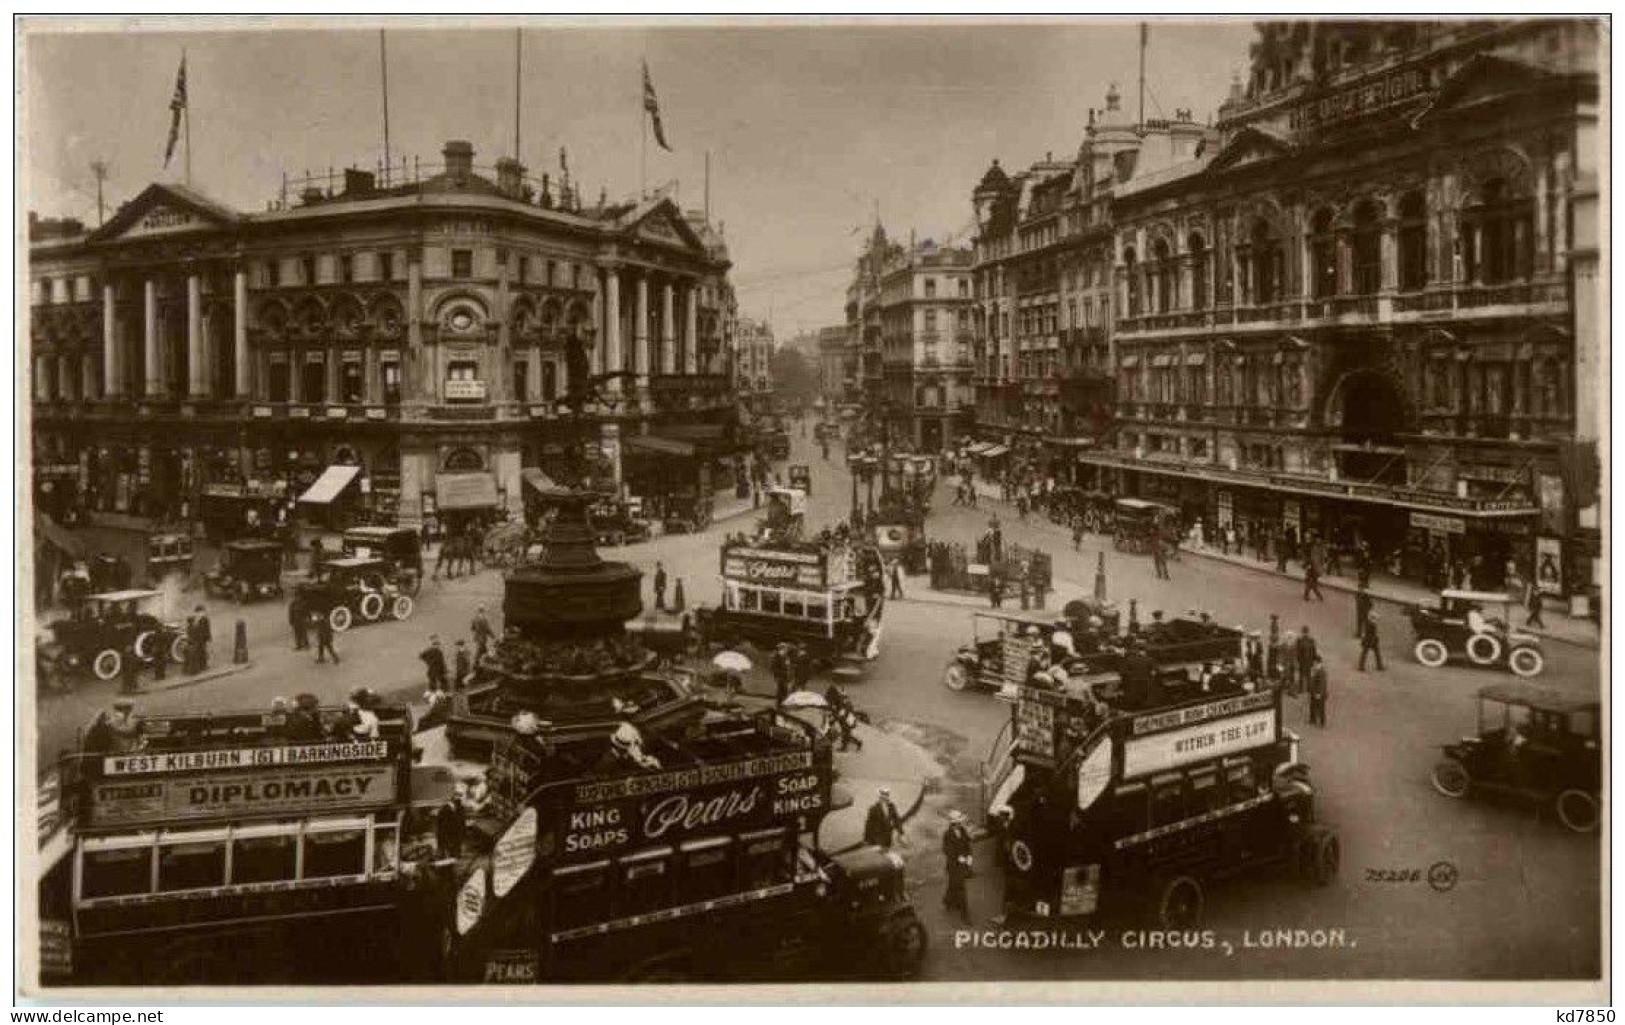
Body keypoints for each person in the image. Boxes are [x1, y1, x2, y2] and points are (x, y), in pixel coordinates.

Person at [941, 810, 974, 921]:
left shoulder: (963, 830)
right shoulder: (947, 834)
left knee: (953, 885)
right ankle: (965, 915)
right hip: (954, 866)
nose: (960, 824)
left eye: (960, 822)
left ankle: (948, 900)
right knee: (961, 888)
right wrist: (958, 857)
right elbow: (947, 850)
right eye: (958, 822)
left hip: (963, 864)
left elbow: (967, 844)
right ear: (953, 823)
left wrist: (969, 856)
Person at [1306, 655, 1328, 727]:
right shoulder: (1315, 670)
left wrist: (1319, 693)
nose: (1314, 665)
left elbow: (1322, 684)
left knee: (1320, 708)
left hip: (1318, 693)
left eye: (1315, 663)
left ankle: (1322, 722)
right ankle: (1313, 719)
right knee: (1312, 706)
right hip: (1314, 692)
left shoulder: (1321, 672)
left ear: (1318, 663)